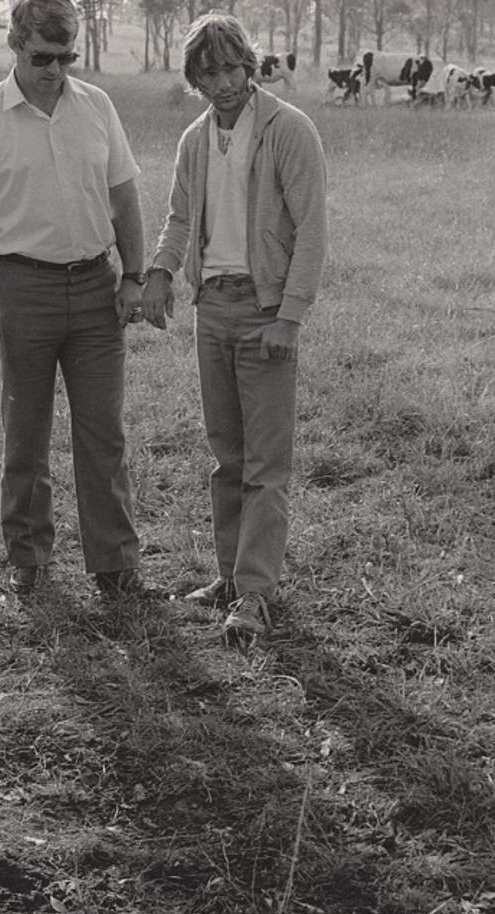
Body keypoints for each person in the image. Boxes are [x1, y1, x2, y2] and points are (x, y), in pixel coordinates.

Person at [0, 0, 146, 601]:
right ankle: (29, 560)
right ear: (14, 46)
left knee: (102, 433)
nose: (56, 70)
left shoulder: (98, 108)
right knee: (25, 434)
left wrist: (133, 275)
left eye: (67, 57)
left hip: (94, 289)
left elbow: (125, 197)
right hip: (22, 289)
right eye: (42, 58)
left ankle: (114, 565)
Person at [141, 13, 327, 649]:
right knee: (226, 455)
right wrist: (161, 274)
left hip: (264, 310)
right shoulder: (195, 138)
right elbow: (177, 216)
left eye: (230, 68)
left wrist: (289, 317)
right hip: (212, 309)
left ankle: (256, 594)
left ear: (250, 65)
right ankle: (229, 576)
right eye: (207, 72)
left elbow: (311, 232)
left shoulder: (288, 130)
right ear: (194, 77)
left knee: (265, 464)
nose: (221, 83)